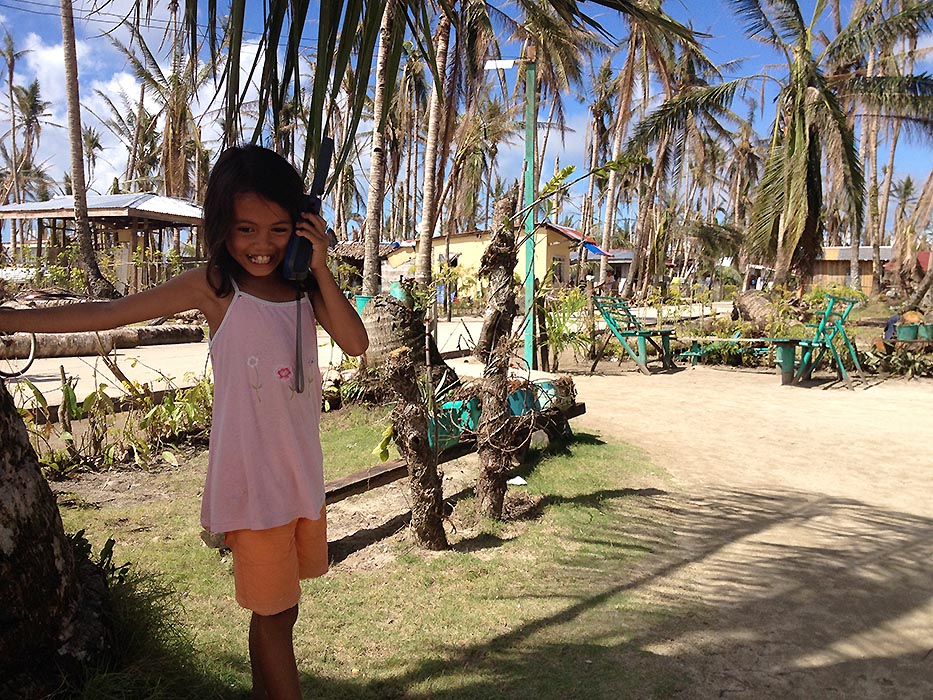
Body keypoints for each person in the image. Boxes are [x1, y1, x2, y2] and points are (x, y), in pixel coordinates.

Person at [0, 144, 369, 700]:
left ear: (301, 226)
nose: (262, 244)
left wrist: (318, 265)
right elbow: (110, 313)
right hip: (256, 489)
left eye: (278, 229)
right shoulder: (215, 288)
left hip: (300, 481)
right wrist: (9, 319)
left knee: (281, 613)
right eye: (245, 229)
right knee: (274, 616)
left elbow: (356, 342)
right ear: (221, 227)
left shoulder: (305, 288)